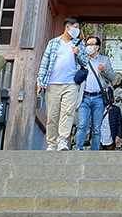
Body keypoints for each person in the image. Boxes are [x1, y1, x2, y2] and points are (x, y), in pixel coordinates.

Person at [36, 16, 88, 151]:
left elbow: (85, 62)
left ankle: (63, 141)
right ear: (67, 27)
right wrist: (40, 81)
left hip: (71, 84)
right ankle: (52, 143)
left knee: (68, 113)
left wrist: (78, 53)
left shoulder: (79, 44)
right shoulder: (53, 43)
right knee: (53, 115)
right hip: (53, 83)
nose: (77, 31)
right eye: (75, 28)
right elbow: (45, 62)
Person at [75, 35, 115, 151]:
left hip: (98, 97)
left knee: (97, 128)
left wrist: (104, 70)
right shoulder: (83, 59)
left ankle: (94, 152)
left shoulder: (105, 60)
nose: (89, 47)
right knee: (82, 125)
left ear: (97, 47)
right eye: (87, 45)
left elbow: (112, 77)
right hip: (84, 96)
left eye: (91, 44)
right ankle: (78, 149)